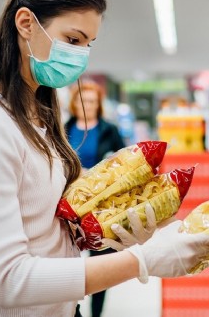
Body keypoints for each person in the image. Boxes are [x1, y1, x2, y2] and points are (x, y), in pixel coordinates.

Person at [0, 0, 209, 317]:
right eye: (72, 40)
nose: (80, 56)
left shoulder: (39, 115)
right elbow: (7, 281)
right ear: (25, 24)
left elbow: (42, 225)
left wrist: (112, 228)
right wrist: (140, 261)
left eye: (88, 44)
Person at [65, 81, 125, 317]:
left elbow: (124, 162)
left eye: (91, 101)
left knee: (100, 260)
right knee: (69, 259)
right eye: (82, 100)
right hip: (71, 205)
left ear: (98, 105)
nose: (86, 105)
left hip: (101, 207)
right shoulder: (64, 129)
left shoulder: (110, 131)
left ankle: (96, 313)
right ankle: (71, 308)